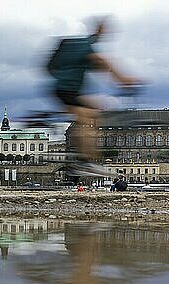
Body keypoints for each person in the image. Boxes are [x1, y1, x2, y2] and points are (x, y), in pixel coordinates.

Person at [47, 17, 140, 177]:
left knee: (95, 111)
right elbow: (105, 64)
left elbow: (52, 67)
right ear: (100, 29)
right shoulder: (86, 48)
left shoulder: (82, 44)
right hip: (67, 91)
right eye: (105, 30)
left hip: (64, 90)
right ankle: (85, 162)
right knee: (89, 119)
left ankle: (81, 156)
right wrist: (124, 79)